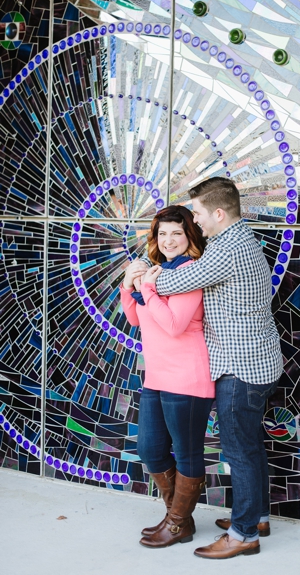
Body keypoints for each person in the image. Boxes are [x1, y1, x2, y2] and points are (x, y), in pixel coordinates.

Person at [128, 177, 282, 559]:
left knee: (240, 450)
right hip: (255, 360)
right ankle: (257, 516)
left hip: (241, 365)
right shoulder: (236, 241)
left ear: (217, 212)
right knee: (250, 445)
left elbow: (178, 279)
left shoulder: (227, 248)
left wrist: (146, 273)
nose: (194, 220)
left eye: (196, 212)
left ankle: (244, 535)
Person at [120, 205, 213, 548]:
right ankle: (179, 519)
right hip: (157, 377)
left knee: (187, 453)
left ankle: (175, 524)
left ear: (189, 236)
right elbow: (135, 319)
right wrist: (128, 284)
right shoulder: (158, 272)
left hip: (188, 377)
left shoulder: (190, 273)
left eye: (177, 233)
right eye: (163, 234)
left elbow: (174, 325)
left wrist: (146, 289)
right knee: (150, 450)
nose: (169, 240)